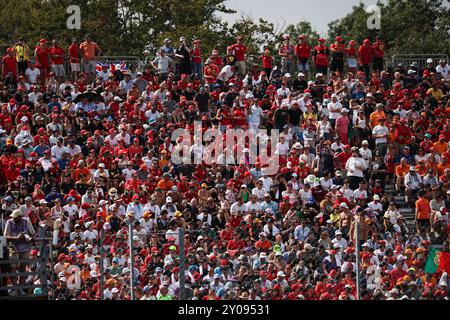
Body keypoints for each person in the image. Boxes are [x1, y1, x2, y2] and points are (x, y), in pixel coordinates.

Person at [3, 209, 35, 296]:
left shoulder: (26, 221)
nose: (14, 218)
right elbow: (5, 236)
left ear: (20, 217)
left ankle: (20, 289)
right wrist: (17, 238)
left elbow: (33, 233)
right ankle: (15, 288)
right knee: (13, 268)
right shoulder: (9, 222)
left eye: (16, 217)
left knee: (23, 268)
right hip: (13, 248)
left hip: (25, 248)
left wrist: (28, 237)